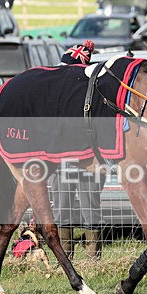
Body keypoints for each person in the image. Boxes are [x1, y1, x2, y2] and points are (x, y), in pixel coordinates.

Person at [50, 40, 106, 260]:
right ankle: (65, 258)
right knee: (61, 208)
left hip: (87, 158)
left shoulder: (94, 94)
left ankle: (93, 259)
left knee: (90, 207)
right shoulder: (54, 95)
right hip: (60, 158)